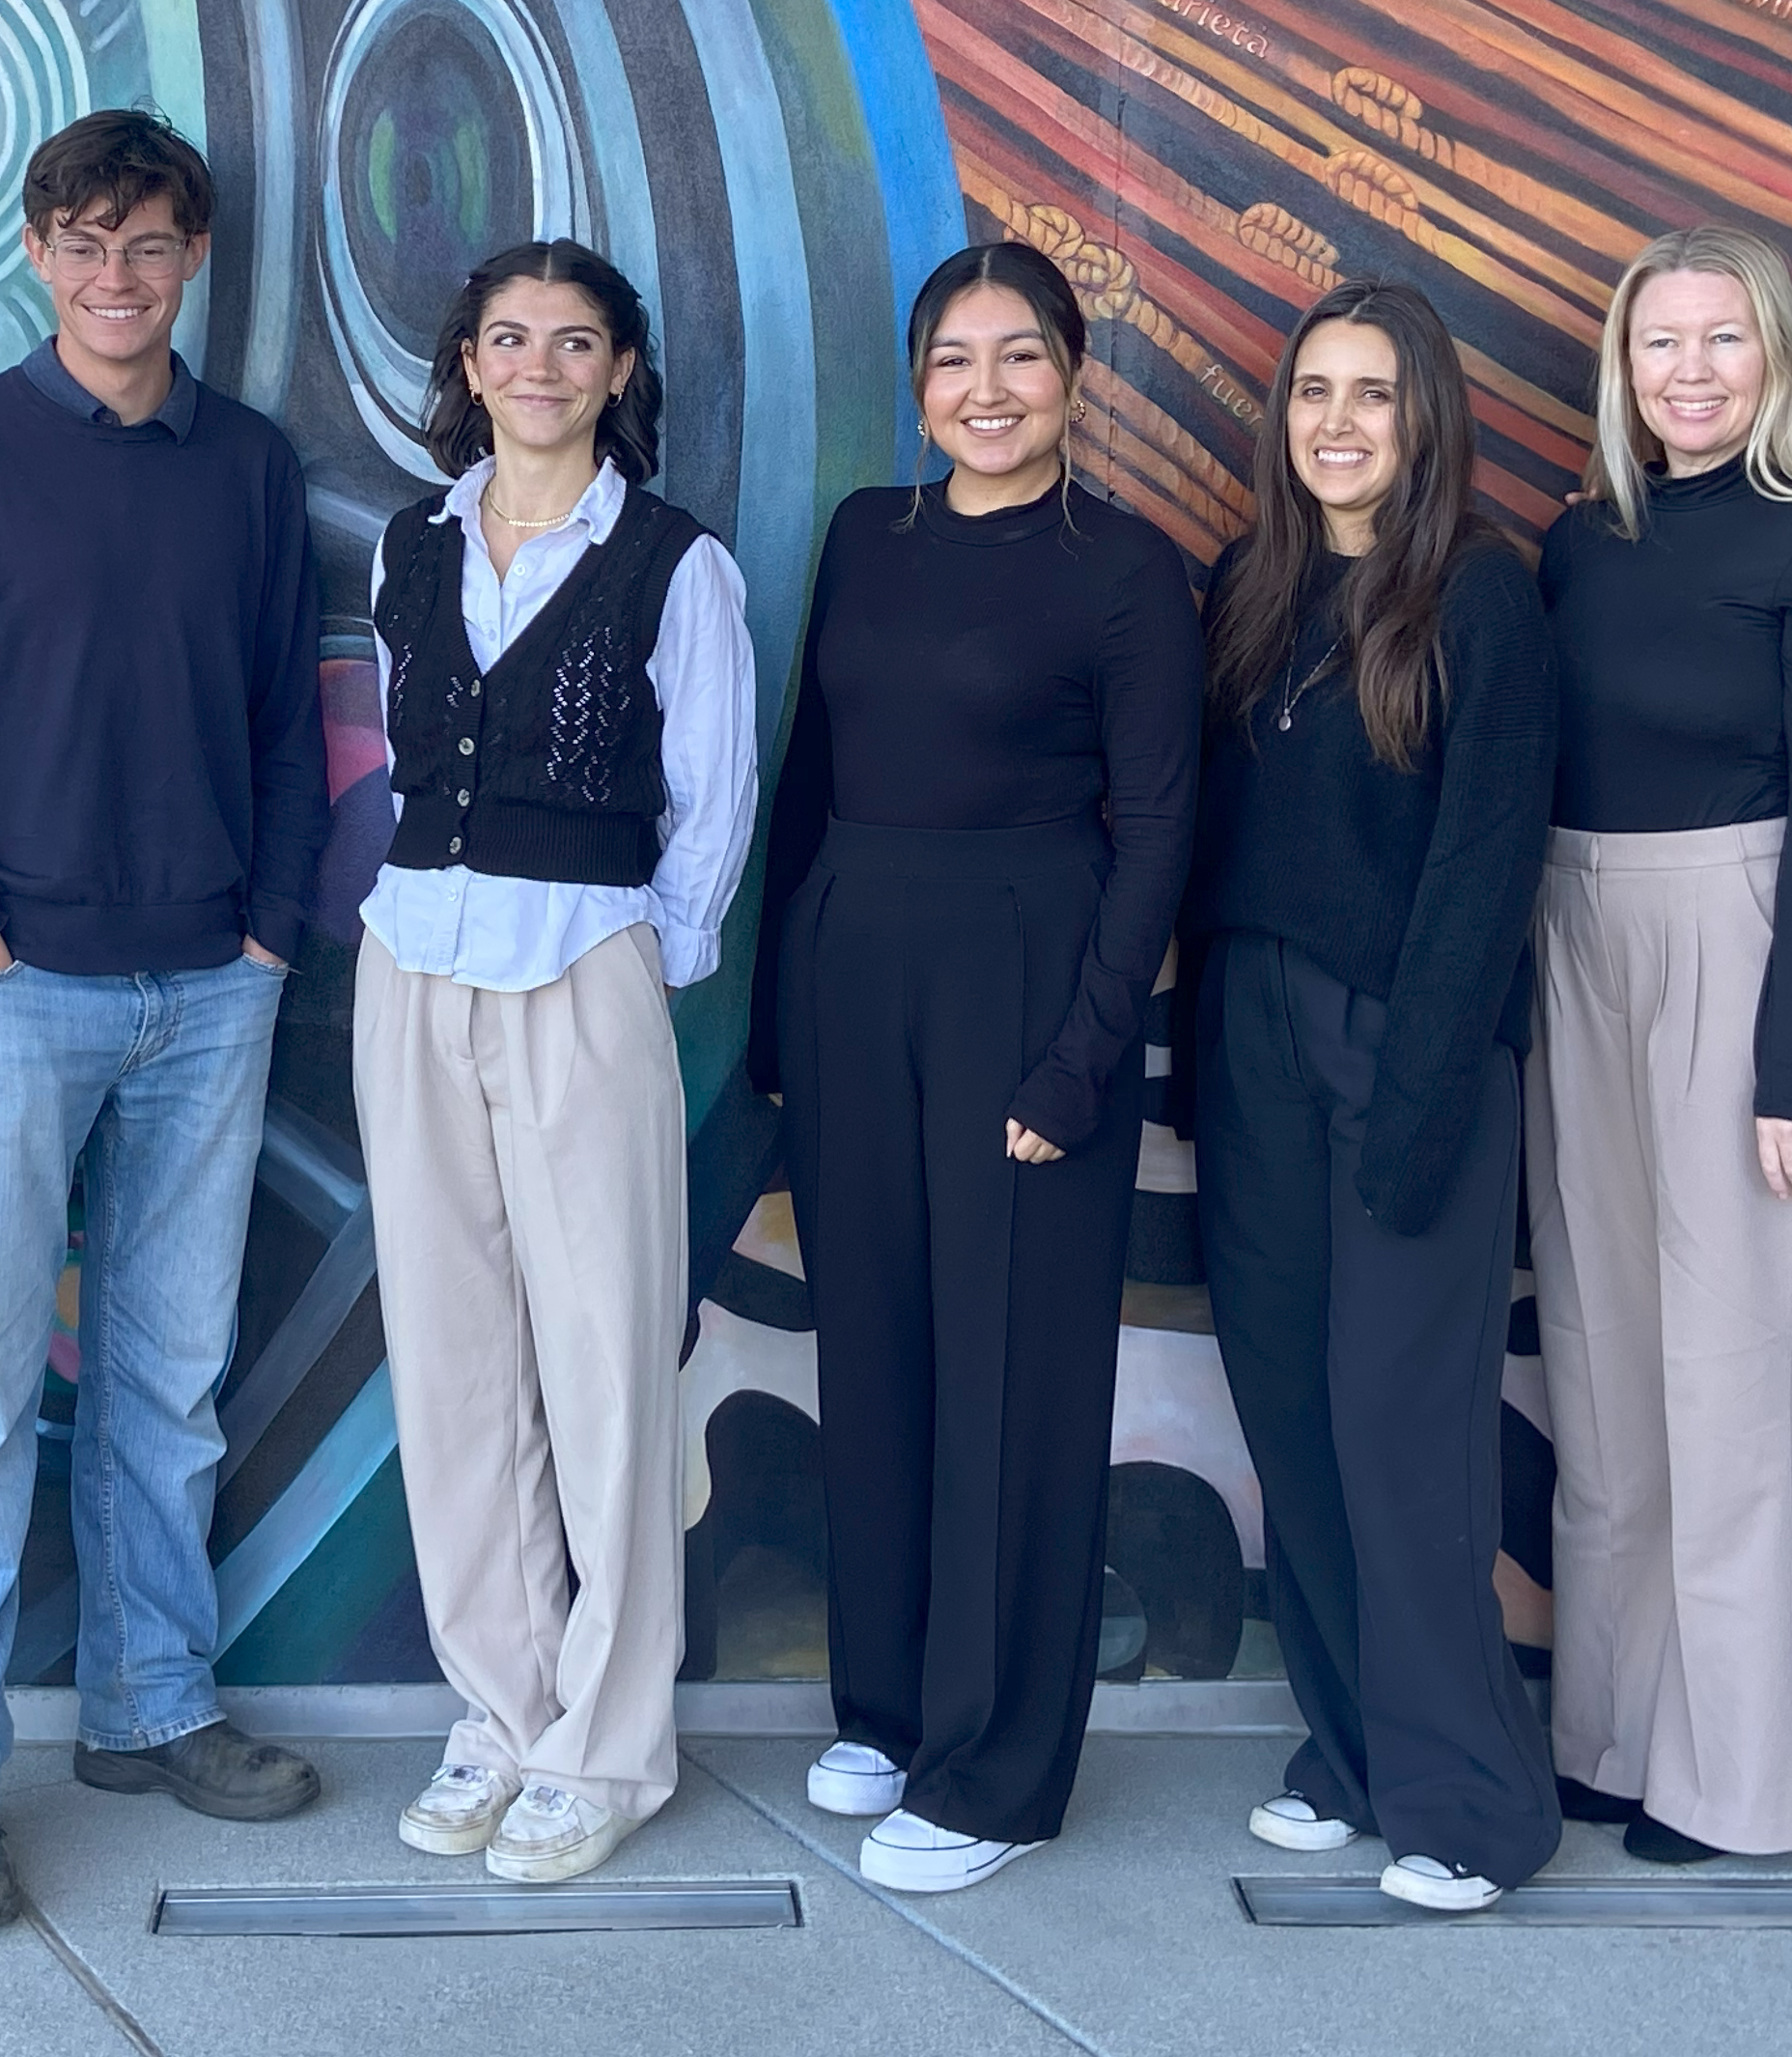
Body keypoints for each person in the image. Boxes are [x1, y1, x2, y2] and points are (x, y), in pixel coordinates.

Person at [0, 109, 333, 1932]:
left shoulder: (249, 466)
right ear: (37, 254)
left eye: (146, 244)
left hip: (215, 980)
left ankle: (151, 1705)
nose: (114, 275)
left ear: (192, 256)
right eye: (81, 241)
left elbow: (292, 714)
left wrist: (275, 930)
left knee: (169, 1377)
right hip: (17, 985)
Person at [750, 240, 1197, 1896]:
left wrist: (1090, 1054)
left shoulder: (1128, 573)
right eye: (955, 360)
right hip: (856, 958)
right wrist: (786, 1024)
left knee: (1014, 1375)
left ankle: (997, 1769)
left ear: (1076, 376)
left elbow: (1158, 831)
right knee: (873, 1346)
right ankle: (889, 1703)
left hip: (1031, 965)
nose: (986, 393)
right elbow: (813, 773)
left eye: (1021, 358)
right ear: (918, 379)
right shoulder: (870, 534)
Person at [358, 241, 756, 1886]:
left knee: (602, 1373)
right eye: (507, 337)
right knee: (454, 1367)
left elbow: (712, 801)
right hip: (413, 962)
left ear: (618, 373)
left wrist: (631, 958)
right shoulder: (409, 542)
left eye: (571, 341)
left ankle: (606, 1743)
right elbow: (403, 741)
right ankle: (500, 1717)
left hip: (583, 965)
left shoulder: (675, 561)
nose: (535, 364)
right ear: (465, 362)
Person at [1184, 279, 1562, 1914]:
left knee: (1404, 1437)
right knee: (1294, 1420)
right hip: (1253, 1049)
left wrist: (1416, 1101)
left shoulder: (1484, 599)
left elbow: (1487, 870)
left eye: (1375, 396)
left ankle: (1472, 1804)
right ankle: (1349, 1753)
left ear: (1427, 421)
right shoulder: (1248, 587)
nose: (1337, 424)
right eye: (1313, 393)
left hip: (1408, 1052)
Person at [1528, 224, 1792, 1866]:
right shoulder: (1577, 543)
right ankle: (1607, 1735)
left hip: (1740, 929)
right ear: (1622, 369)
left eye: (1722, 342)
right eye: (1658, 344)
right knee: (1605, 1363)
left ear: (1775, 365)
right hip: (1572, 928)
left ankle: (1734, 1784)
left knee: (1733, 1379)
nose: (1688, 374)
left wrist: (1791, 1063)